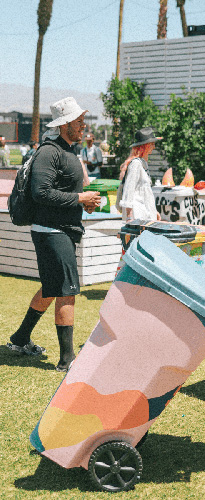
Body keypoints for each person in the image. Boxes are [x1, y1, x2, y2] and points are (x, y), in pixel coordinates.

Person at [6, 97, 101, 371]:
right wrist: (80, 198)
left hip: (61, 230)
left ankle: (20, 338)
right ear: (65, 124)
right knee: (66, 292)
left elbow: (66, 193)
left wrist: (85, 202)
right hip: (51, 231)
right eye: (79, 121)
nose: (83, 126)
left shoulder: (70, 150)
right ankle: (67, 360)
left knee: (52, 288)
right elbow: (41, 193)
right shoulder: (49, 152)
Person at [118, 127, 162, 222]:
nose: (154, 147)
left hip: (144, 213)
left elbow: (145, 192)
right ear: (145, 146)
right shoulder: (136, 164)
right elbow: (129, 190)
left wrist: (154, 212)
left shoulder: (142, 163)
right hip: (137, 215)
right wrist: (129, 217)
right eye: (152, 144)